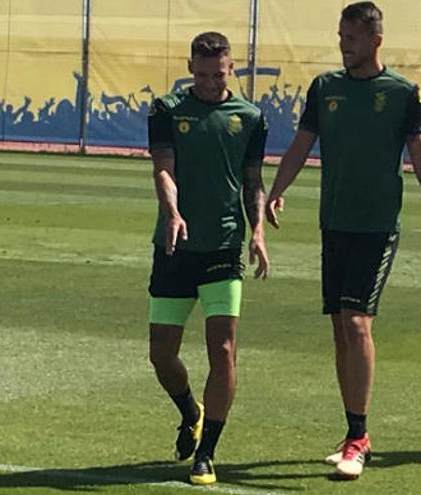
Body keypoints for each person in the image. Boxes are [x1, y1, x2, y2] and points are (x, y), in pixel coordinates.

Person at [265, 1, 421, 480]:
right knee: (340, 330)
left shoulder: (402, 93)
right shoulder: (325, 88)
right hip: (335, 224)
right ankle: (351, 432)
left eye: (352, 38)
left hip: (377, 226)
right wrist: (276, 192)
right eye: (340, 36)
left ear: (375, 41)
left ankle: (359, 439)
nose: (343, 45)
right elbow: (301, 146)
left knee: (357, 321)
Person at [146, 31, 268, 486]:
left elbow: (253, 179)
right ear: (190, 68)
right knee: (161, 355)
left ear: (231, 68)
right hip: (174, 246)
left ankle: (207, 452)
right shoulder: (167, 109)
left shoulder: (251, 117)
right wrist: (173, 213)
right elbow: (164, 167)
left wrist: (256, 230)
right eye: (201, 74)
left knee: (223, 350)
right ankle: (189, 410)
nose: (211, 83)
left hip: (223, 246)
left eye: (218, 74)